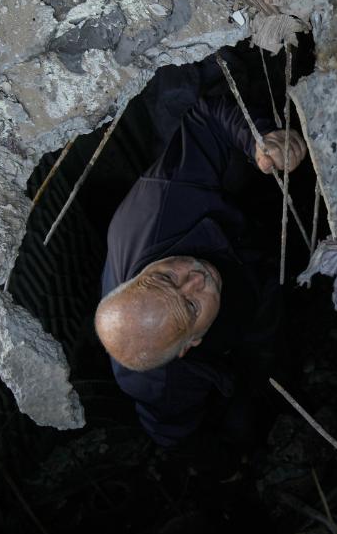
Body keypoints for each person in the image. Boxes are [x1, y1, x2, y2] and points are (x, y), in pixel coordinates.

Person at [96, 62, 306, 451]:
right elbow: (172, 431)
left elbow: (205, 118)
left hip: (233, 244)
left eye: (166, 277)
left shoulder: (162, 203)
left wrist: (259, 141)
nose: (197, 277)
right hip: (239, 301)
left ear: (137, 278)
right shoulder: (160, 384)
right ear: (190, 344)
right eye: (191, 305)